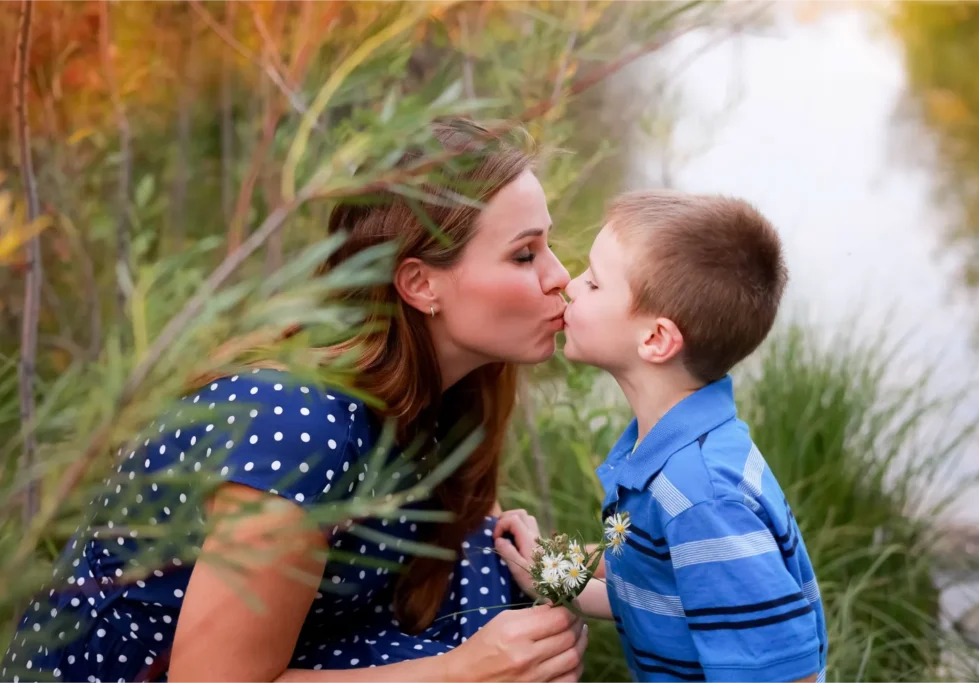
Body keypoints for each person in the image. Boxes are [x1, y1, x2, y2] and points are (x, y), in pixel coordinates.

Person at [2, 119, 586, 683]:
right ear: (420, 285)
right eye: (524, 254)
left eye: (548, 245)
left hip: (305, 642)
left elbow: (477, 546)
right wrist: (461, 674)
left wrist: (560, 593)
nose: (562, 276)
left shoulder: (440, 398)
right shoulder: (297, 426)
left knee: (492, 576)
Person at [495, 192, 828, 683]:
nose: (571, 283)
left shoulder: (701, 498)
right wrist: (550, 573)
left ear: (655, 339)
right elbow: (655, 595)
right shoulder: (662, 453)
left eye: (594, 281)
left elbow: (783, 674)